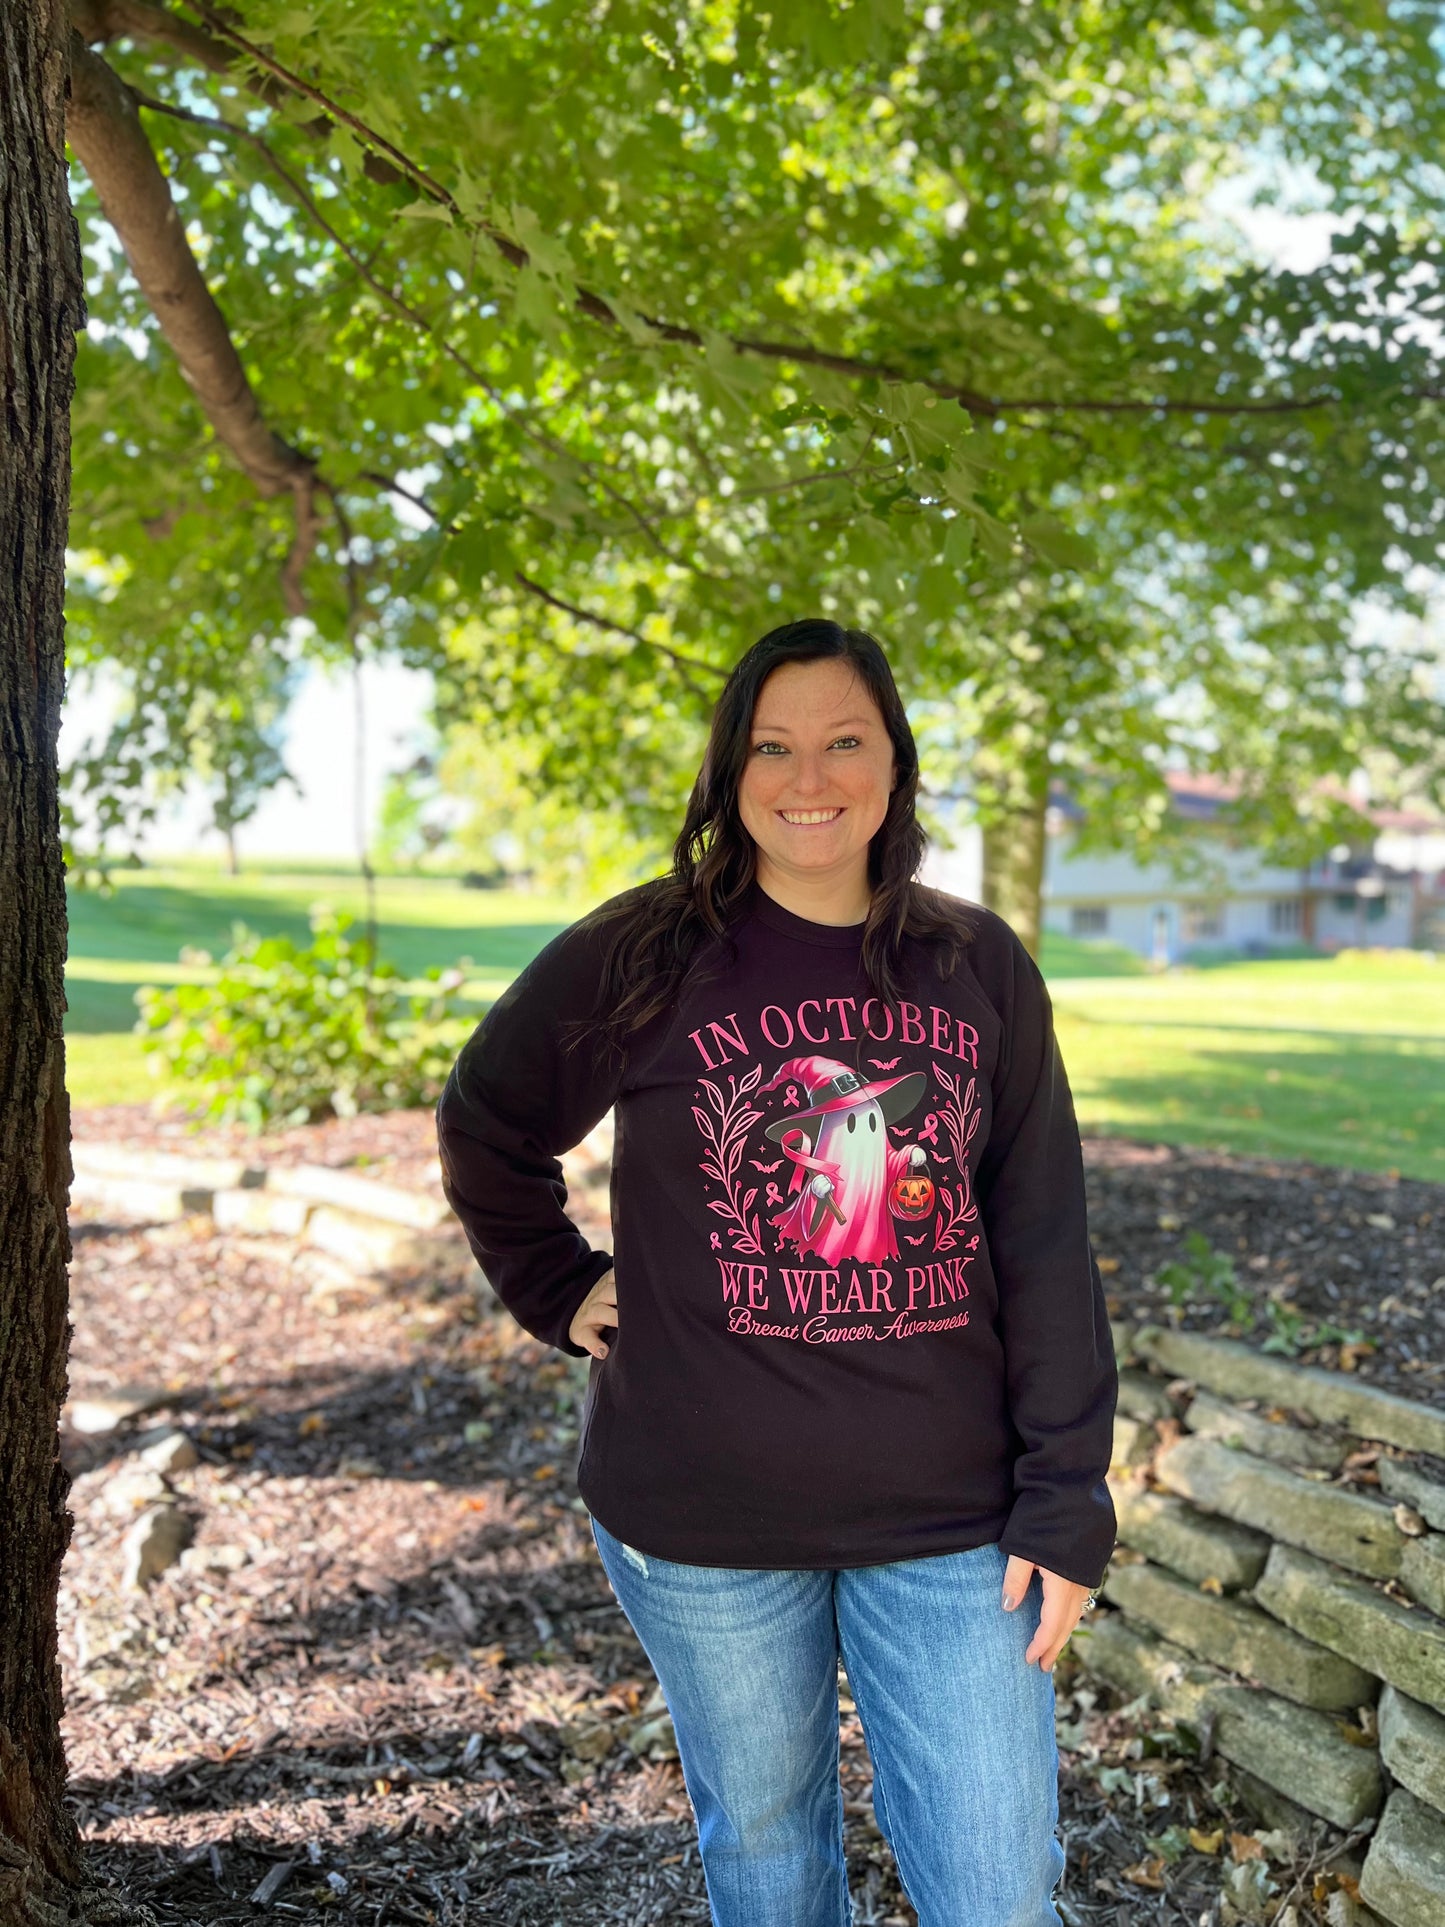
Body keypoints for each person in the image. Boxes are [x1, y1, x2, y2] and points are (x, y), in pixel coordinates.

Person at [436, 618, 1118, 1927]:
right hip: (703, 1523)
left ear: (894, 762)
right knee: (763, 1859)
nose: (810, 777)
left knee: (996, 1889)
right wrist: (552, 1280)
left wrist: (1065, 1493)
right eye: (773, 745)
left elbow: (1041, 1238)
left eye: (843, 740)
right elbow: (488, 1119)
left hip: (952, 1524)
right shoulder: (644, 953)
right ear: (729, 770)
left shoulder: (976, 966)